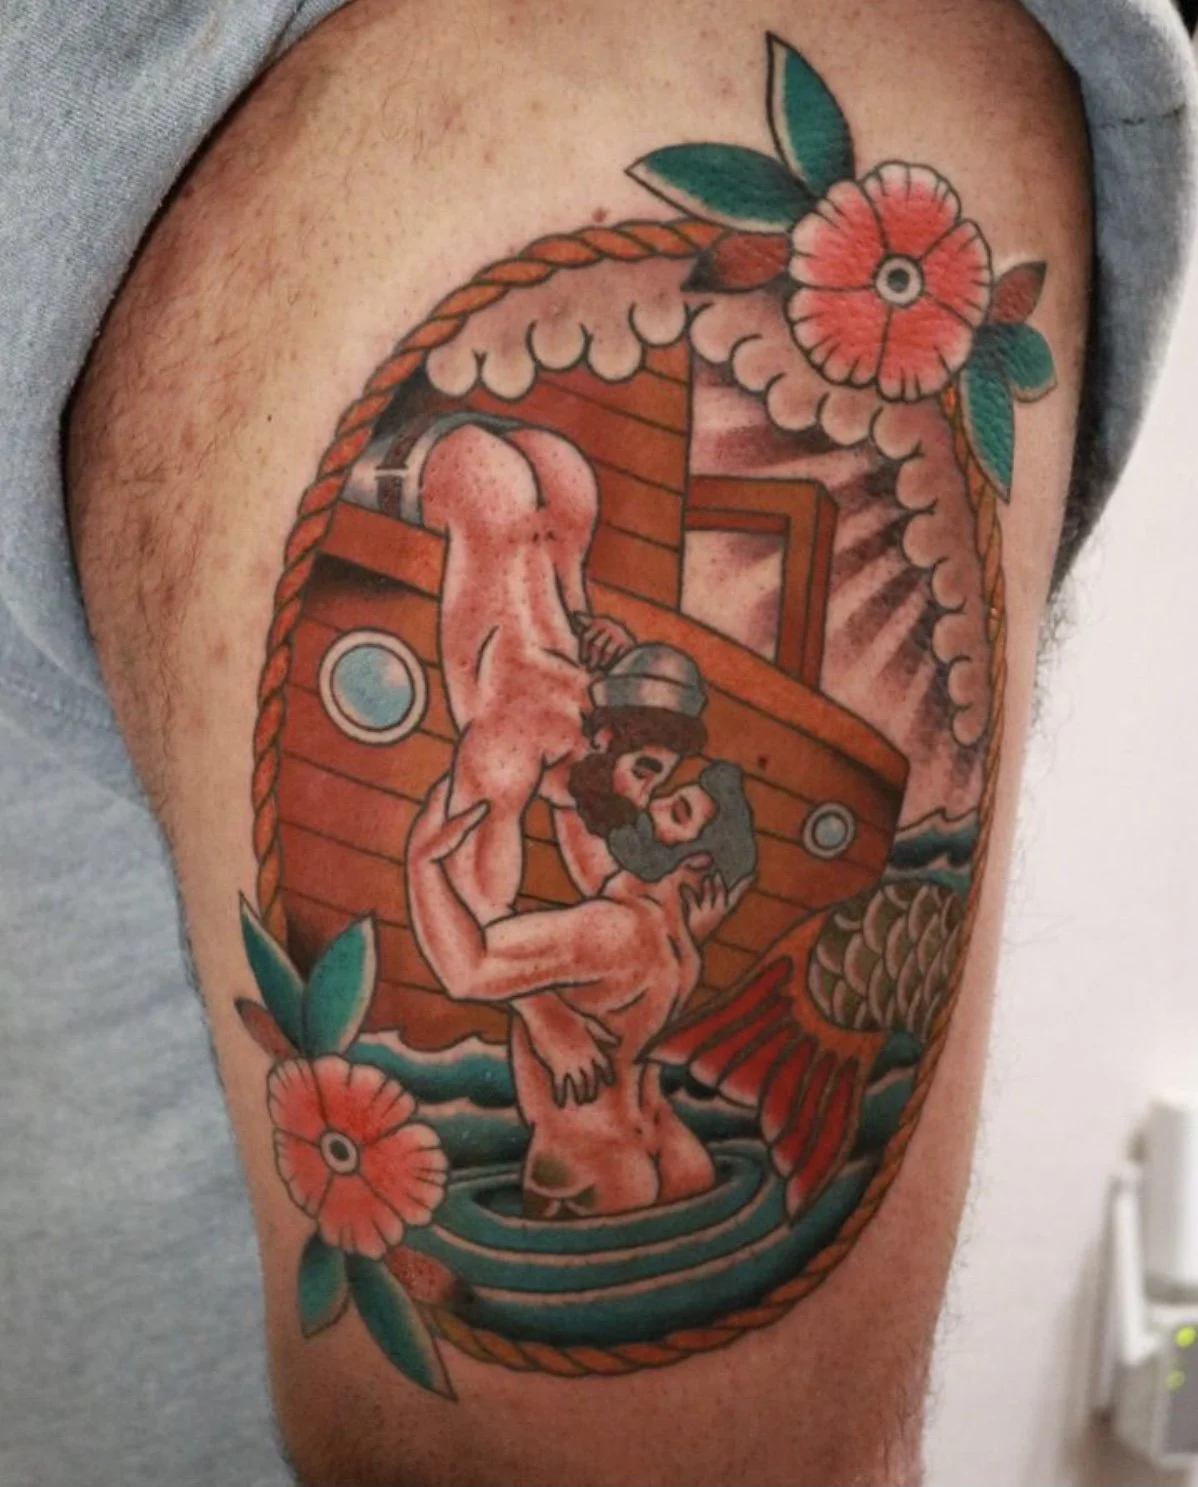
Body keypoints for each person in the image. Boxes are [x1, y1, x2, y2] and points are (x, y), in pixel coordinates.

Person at [2, 3, 1195, 1486]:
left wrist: (448, 840)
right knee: (532, 518)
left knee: (511, 511)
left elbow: (473, 958)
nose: (653, 796)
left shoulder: (614, 949)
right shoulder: (639, 951)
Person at [406, 765, 756, 1217]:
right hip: (675, 1153)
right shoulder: (682, 950)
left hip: (595, 1163)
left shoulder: (617, 930)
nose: (654, 804)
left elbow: (469, 971)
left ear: (696, 862)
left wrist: (422, 866)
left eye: (678, 811)